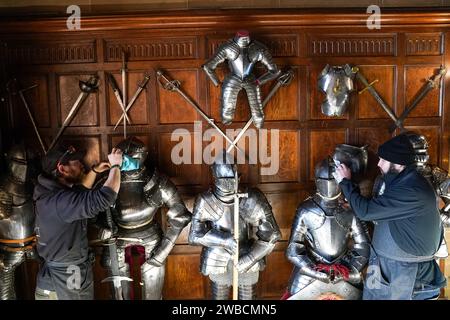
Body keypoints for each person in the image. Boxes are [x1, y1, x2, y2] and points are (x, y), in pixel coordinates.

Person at [333, 133, 447, 300]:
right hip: (383, 264)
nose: (378, 163)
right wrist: (356, 203)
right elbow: (382, 211)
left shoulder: (411, 189)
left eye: (383, 160)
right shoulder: (402, 182)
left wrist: (345, 182)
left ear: (398, 164)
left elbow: (366, 211)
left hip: (405, 272)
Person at [96, 136, 191, 300]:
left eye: (126, 159)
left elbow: (180, 216)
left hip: (150, 237)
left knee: (152, 294)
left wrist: (163, 251)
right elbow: (92, 211)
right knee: (119, 296)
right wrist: (103, 227)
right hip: (116, 237)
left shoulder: (157, 181)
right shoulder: (107, 180)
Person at [33, 144, 122, 300]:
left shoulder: (53, 192)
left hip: (65, 274)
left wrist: (94, 171)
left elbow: (79, 194)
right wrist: (116, 165)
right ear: (62, 169)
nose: (82, 165)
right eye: (76, 162)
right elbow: (105, 197)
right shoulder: (59, 201)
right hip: (62, 284)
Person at [188, 150, 281, 300]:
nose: (229, 183)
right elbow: (194, 235)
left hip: (247, 253)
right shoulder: (206, 200)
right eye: (225, 179)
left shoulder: (251, 197)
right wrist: (224, 240)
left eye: (232, 178)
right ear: (216, 177)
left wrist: (250, 258)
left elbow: (272, 234)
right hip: (217, 256)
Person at [285, 156, 369, 300]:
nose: (329, 185)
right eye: (326, 181)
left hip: (345, 268)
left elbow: (364, 246)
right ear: (318, 181)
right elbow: (293, 249)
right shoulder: (305, 209)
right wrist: (315, 271)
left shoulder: (351, 208)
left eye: (332, 180)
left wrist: (351, 269)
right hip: (310, 271)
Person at [202, 30, 280, 129]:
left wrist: (259, 81)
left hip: (251, 80)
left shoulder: (258, 48)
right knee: (226, 116)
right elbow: (208, 66)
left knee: (259, 118)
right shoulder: (228, 47)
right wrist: (217, 82)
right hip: (233, 79)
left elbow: (275, 71)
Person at [0, 144, 37, 299]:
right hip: (8, 250)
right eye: (20, 163)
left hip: (36, 247)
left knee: (54, 282)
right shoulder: (2, 190)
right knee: (5, 293)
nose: (24, 168)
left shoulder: (35, 184)